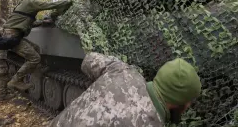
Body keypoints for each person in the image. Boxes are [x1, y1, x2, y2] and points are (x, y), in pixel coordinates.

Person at [49, 52, 202, 127]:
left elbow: (88, 59)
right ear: (179, 101)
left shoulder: (123, 72)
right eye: (189, 102)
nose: (188, 106)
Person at [0, 0, 72, 91]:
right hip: (12, 36)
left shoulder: (22, 3)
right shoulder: (30, 2)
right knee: (34, 58)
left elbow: (26, 22)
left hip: (11, 35)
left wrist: (42, 22)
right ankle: (15, 81)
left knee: (36, 48)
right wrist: (67, 2)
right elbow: (50, 5)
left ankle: (38, 69)